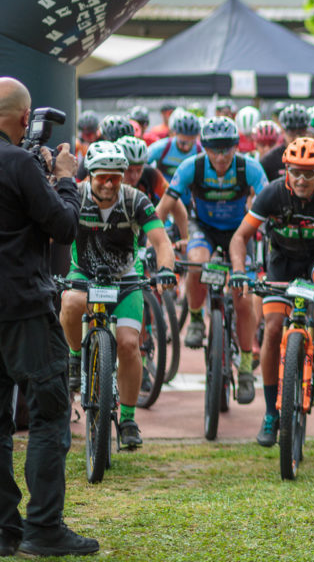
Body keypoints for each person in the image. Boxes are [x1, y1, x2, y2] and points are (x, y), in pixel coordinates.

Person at [0, 77, 97, 556]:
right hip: (23, 308)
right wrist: (63, 179)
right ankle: (42, 528)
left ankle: (4, 531)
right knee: (50, 413)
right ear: (25, 118)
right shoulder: (19, 163)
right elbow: (63, 227)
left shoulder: (18, 162)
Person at [228, 137, 314, 446]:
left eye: (309, 173)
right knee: (271, 330)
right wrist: (239, 271)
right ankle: (271, 413)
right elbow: (240, 237)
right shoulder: (271, 194)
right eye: (295, 172)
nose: (301, 179)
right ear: (286, 171)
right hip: (282, 263)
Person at [59, 142, 176, 450]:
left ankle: (128, 419)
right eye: (102, 177)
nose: (109, 184)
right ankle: (74, 357)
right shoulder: (75, 195)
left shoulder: (135, 199)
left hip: (125, 278)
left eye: (115, 177)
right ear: (90, 175)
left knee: (128, 344)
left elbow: (161, 241)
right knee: (70, 302)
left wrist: (166, 269)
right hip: (84, 274)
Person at [155, 117, 268, 404]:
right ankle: (195, 319)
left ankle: (245, 368)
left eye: (226, 149)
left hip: (239, 231)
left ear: (236, 147)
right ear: (204, 148)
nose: (220, 156)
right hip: (202, 227)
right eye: (214, 150)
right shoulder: (190, 167)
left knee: (243, 298)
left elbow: (268, 204)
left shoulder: (250, 168)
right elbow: (164, 207)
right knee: (196, 263)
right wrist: (153, 240)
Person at [146, 109, 202, 181]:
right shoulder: (162, 146)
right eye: (183, 143)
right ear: (174, 134)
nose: (186, 147)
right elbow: (141, 163)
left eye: (191, 143)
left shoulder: (200, 151)